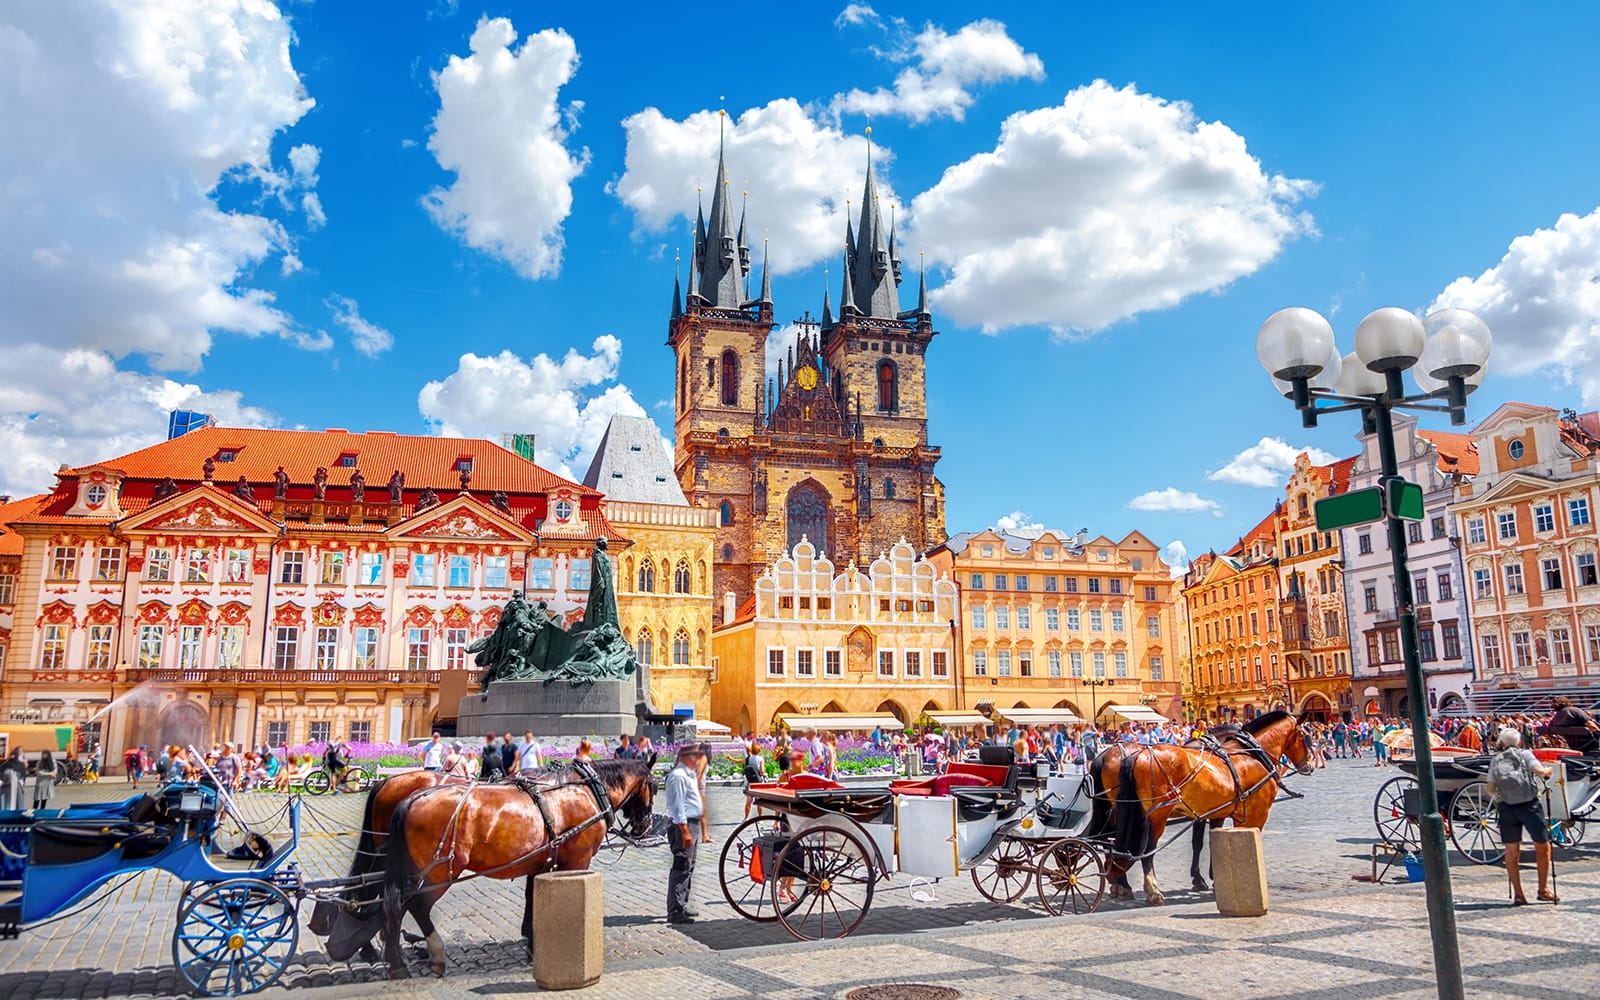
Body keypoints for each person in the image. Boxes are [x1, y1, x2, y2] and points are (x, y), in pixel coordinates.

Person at [1487, 728, 1558, 904]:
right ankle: (1543, 889)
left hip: (1507, 808)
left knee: (1511, 851)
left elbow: (1490, 788)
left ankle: (1519, 894)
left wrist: (1500, 796)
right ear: (1518, 742)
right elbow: (1540, 771)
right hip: (1529, 806)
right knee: (1543, 846)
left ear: (1502, 743)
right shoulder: (1525, 754)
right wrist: (1547, 771)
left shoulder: (1496, 760)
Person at [663, 744, 705, 925]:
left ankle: (683, 903)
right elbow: (677, 807)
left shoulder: (688, 775)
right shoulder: (678, 777)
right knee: (681, 866)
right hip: (683, 825)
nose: (698, 760)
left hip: (692, 823)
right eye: (695, 757)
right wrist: (685, 831)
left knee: (689, 865)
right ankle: (675, 910)